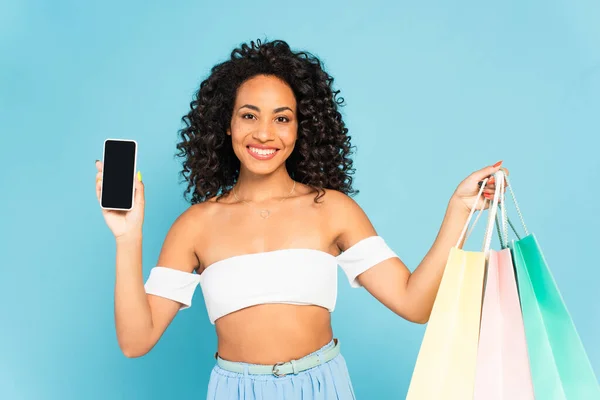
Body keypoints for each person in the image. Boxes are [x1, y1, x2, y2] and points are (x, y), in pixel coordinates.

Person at [95, 39, 506, 399]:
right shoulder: (194, 226)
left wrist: (458, 211)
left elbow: (415, 304)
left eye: (282, 118)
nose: (264, 134)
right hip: (235, 391)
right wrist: (127, 237)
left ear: (300, 128)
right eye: (249, 116)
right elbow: (136, 340)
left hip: (322, 386)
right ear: (226, 124)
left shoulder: (332, 209)